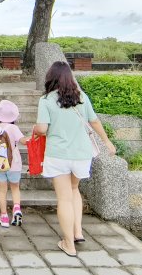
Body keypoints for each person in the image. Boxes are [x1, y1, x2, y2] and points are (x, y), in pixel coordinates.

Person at [34, 61, 116, 257]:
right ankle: (78, 232)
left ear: (50, 78)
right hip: (81, 155)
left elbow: (42, 129)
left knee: (63, 199)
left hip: (58, 154)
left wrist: (36, 130)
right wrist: (107, 142)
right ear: (69, 77)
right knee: (74, 190)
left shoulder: (46, 100)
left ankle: (68, 244)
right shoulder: (81, 97)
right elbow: (94, 121)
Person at [0, 99, 29, 228]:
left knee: (2, 191)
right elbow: (24, 141)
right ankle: (16, 209)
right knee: (15, 188)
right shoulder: (14, 128)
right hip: (14, 163)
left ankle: (4, 216)